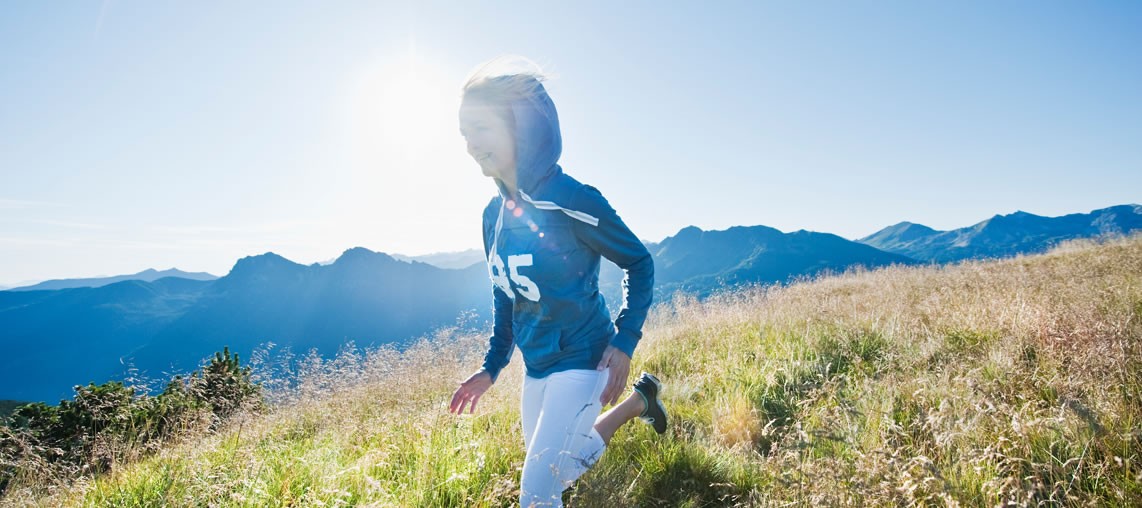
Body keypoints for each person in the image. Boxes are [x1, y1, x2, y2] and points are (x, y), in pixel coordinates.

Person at [448, 56, 667, 507]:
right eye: (463, 133)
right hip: (538, 363)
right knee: (560, 469)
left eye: (480, 128)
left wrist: (625, 342)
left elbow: (639, 263)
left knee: (536, 492)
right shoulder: (492, 217)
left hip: (586, 357)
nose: (470, 144)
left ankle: (637, 398)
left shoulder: (571, 200)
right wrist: (492, 368)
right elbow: (504, 294)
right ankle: (641, 403)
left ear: (520, 126)